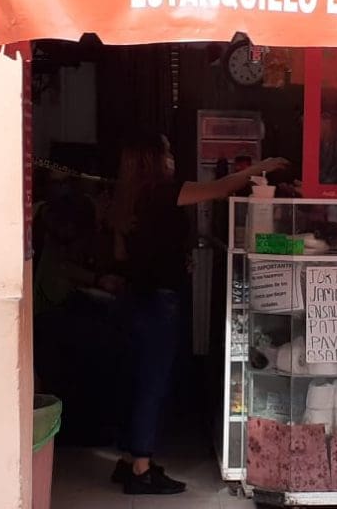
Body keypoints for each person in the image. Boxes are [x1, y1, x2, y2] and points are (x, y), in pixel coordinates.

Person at [108, 131, 288, 495]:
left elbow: (120, 255)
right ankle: (141, 469)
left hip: (133, 299)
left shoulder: (125, 198)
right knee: (153, 384)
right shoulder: (162, 192)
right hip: (159, 301)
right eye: (166, 152)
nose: (172, 158)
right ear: (151, 160)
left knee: (137, 380)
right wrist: (261, 167)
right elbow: (219, 188)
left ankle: (128, 460)